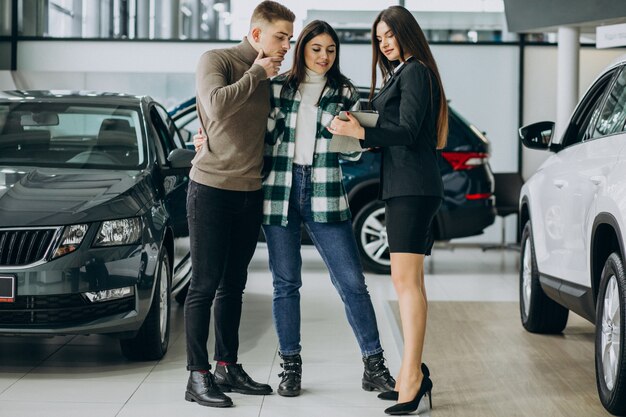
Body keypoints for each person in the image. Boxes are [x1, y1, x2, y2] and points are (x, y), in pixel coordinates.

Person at [195, 20, 395, 399]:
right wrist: (205, 138)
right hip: (278, 192)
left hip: (324, 192)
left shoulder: (346, 90)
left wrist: (353, 136)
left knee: (353, 283)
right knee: (285, 285)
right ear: (303, 49)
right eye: (316, 48)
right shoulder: (276, 86)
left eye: (330, 50)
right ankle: (290, 367)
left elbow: (351, 152)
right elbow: (243, 125)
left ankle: (375, 366)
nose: (324, 56)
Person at [329, 6, 448, 415]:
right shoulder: (399, 73)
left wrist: (361, 130)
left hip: (413, 188)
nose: (384, 42)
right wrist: (360, 130)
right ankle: (412, 371)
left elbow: (410, 131)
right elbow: (393, 130)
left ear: (406, 34)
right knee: (407, 282)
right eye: (379, 37)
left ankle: (411, 377)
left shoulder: (415, 71)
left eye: (390, 35)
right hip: (404, 186)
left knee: (407, 284)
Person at [184, 1, 294, 409]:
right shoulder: (219, 60)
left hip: (249, 192)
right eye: (280, 36)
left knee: (234, 285)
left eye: (289, 38)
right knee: (204, 284)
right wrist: (257, 73)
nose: (286, 45)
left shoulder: (269, 76)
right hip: (210, 188)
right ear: (256, 34)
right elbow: (214, 105)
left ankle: (226, 365)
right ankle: (197, 376)